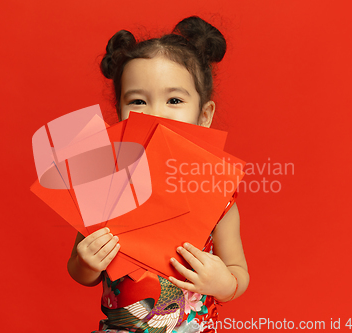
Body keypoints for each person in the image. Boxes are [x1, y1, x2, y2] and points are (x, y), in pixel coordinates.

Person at [67, 16, 249, 333]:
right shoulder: (104, 187)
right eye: (138, 100)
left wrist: (223, 282)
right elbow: (82, 273)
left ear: (204, 115)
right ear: (120, 112)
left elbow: (238, 273)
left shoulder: (217, 196)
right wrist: (86, 262)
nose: (154, 113)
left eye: (174, 100)